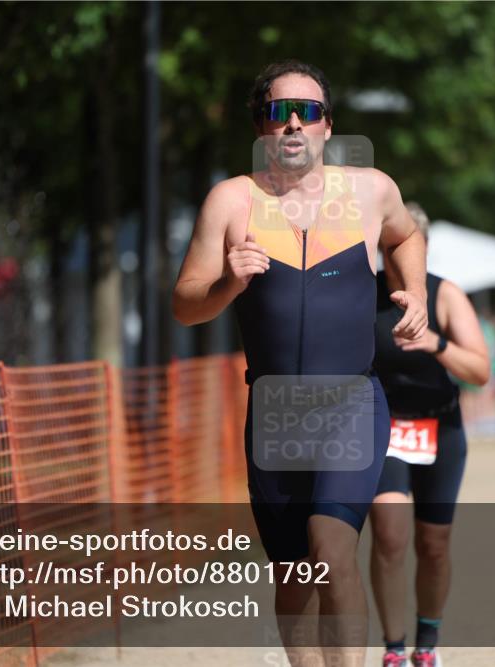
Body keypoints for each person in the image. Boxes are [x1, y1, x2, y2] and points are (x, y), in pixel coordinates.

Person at [172, 59, 429, 667]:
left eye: (307, 112)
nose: (293, 124)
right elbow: (185, 305)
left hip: (351, 405)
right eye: (278, 112)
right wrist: (228, 284)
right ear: (261, 127)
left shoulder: (370, 191)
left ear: (327, 126)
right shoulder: (231, 202)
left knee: (331, 551)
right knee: (293, 574)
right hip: (276, 414)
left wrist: (413, 291)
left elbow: (405, 237)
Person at [368, 202, 489, 667]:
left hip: (441, 427)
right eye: (388, 248)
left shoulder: (444, 296)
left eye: (406, 247)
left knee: (433, 543)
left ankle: (427, 644)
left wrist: (436, 345)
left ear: (424, 248)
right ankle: (394, 648)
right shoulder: (366, 295)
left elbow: (480, 370)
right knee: (389, 534)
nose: (397, 257)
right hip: (387, 428)